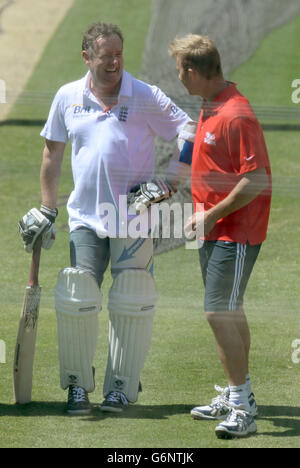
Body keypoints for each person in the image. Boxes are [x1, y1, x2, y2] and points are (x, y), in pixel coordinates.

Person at [18, 22, 195, 415]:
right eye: (105, 55)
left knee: (131, 298)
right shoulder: (68, 96)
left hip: (133, 218)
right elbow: (52, 153)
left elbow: (191, 132)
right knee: (77, 298)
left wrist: (169, 184)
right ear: (87, 57)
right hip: (84, 217)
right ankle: (78, 387)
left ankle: (121, 386)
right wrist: (48, 207)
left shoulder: (144, 94)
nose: (114, 61)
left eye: (119, 54)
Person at [169, 34, 272, 438]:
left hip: (235, 230)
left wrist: (211, 215)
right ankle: (235, 395)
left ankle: (242, 405)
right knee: (229, 308)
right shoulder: (211, 105)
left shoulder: (236, 114)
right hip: (211, 226)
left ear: (193, 71)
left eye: (180, 70)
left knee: (218, 311)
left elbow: (257, 179)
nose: (178, 77)